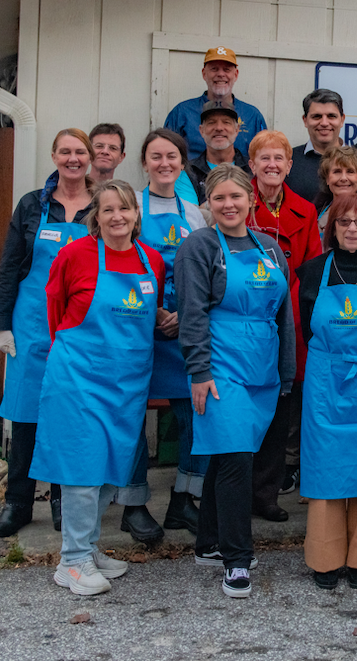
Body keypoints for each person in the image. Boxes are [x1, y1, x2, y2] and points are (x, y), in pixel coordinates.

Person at [29, 180, 164, 596]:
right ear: (96, 217)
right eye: (108, 210)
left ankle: (87, 547)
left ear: (136, 215)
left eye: (124, 209)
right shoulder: (75, 254)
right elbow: (54, 308)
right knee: (82, 470)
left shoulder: (152, 260)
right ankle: (70, 561)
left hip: (126, 382)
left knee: (112, 469)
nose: (117, 217)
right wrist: (75, 359)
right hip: (80, 378)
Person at [176, 165, 296, 598]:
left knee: (228, 459)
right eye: (219, 198)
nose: (228, 205)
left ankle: (208, 543)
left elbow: (284, 318)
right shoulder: (199, 246)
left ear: (250, 199)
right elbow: (191, 314)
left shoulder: (269, 248)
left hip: (261, 370)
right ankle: (237, 561)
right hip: (221, 365)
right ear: (208, 202)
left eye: (236, 197)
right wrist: (199, 372)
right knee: (236, 461)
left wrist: (284, 372)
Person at [0, 128, 95, 538]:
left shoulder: (100, 206)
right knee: (26, 415)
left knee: (65, 416)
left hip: (77, 326)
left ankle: (60, 502)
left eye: (79, 152)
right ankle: (17, 503)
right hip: (31, 324)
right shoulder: (33, 205)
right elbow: (10, 266)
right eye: (65, 151)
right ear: (54, 156)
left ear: (88, 159)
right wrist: (2, 324)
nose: (73, 158)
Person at [298, 193, 357, 590]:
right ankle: (324, 558)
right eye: (344, 222)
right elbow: (305, 330)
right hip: (325, 384)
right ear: (331, 228)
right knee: (325, 470)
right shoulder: (310, 272)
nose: (352, 229)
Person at [119, 129, 210, 543]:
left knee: (194, 415)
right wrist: (154, 311)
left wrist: (181, 314)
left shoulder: (194, 213)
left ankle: (183, 501)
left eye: (171, 156)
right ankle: (133, 505)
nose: (164, 164)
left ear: (181, 162)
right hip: (137, 323)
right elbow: (119, 264)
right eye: (155, 156)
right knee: (130, 416)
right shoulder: (130, 206)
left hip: (183, 326)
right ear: (143, 162)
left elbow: (203, 272)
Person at [244, 130, 323, 521]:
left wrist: (290, 312)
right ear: (252, 164)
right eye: (265, 158)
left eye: (279, 158)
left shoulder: (305, 211)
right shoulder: (240, 206)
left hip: (288, 318)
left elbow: (309, 269)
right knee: (248, 406)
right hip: (246, 316)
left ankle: (267, 492)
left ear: (290, 166)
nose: (272, 165)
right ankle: (238, 488)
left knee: (281, 406)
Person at [285, 89, 357, 204]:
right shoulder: (288, 163)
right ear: (305, 120)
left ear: (342, 119)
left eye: (331, 116)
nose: (324, 123)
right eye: (317, 116)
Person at [164, 46, 266, 160]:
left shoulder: (252, 115)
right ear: (204, 73)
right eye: (214, 69)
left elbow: (264, 157)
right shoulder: (182, 113)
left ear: (236, 74)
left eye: (227, 69)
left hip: (241, 177)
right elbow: (165, 155)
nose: (221, 74)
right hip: (192, 177)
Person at [185, 101, 252, 201]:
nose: (219, 128)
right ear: (201, 130)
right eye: (211, 122)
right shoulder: (188, 172)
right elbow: (189, 212)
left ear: (237, 129)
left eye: (226, 122)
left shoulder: (252, 169)